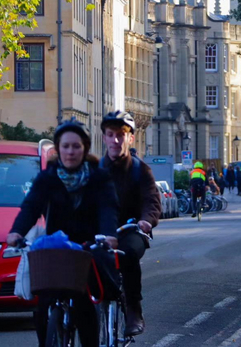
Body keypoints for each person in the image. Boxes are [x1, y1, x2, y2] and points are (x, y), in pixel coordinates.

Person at [6, 118, 119, 347]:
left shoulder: (99, 177)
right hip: (57, 247)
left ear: (84, 148)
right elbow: (31, 207)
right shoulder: (47, 178)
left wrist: (108, 234)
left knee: (85, 303)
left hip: (88, 244)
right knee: (44, 303)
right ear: (58, 148)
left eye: (76, 146)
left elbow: (108, 208)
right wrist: (16, 232)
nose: (70, 152)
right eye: (65, 146)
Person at [99, 111, 162, 336]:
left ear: (131, 138)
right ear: (104, 138)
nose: (116, 140)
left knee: (128, 254)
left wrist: (146, 220)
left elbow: (152, 200)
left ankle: (134, 308)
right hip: (101, 231)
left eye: (121, 135)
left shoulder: (140, 170)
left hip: (131, 229)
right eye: (110, 135)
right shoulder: (95, 171)